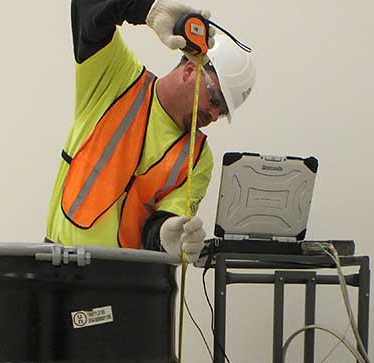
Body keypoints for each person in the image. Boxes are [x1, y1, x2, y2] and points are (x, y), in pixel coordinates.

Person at [45, 0, 255, 260]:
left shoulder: (197, 158)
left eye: (222, 112)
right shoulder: (117, 78)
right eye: (214, 100)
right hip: (58, 262)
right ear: (190, 70)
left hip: (124, 277)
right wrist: (147, 9)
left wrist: (168, 236)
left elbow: (159, 229)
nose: (213, 115)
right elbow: (86, 7)